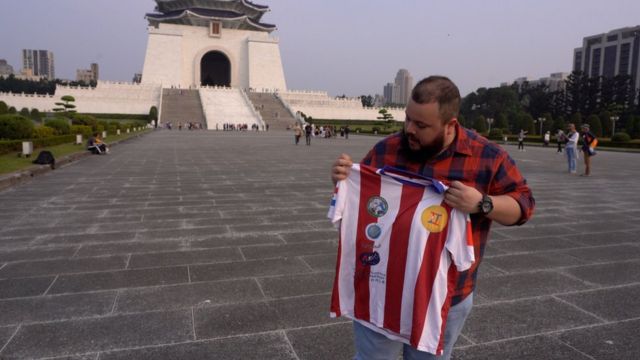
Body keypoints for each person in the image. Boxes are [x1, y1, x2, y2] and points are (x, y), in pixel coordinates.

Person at [330, 76, 535, 360]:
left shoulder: (486, 156)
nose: (410, 130)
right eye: (408, 120)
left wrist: (482, 203)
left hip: (445, 296)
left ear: (450, 125)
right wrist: (345, 181)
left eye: (421, 125)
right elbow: (365, 201)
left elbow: (524, 205)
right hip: (382, 284)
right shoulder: (387, 150)